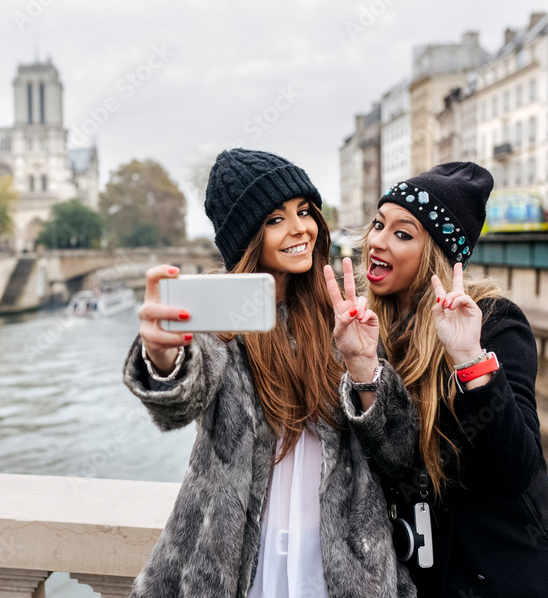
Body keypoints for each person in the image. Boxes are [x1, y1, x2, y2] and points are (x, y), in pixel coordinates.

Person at [121, 148, 419, 597]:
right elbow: (180, 400)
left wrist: (363, 368)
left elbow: (397, 453)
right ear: (247, 237)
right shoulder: (222, 323)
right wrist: (162, 355)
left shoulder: (344, 310)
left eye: (303, 211)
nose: (300, 228)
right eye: (275, 219)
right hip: (236, 558)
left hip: (343, 561)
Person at [362, 162, 548, 598]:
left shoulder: (494, 323)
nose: (377, 240)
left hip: (510, 580)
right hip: (427, 578)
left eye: (402, 233)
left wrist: (468, 359)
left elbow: (518, 468)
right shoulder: (370, 329)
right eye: (379, 224)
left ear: (436, 254)